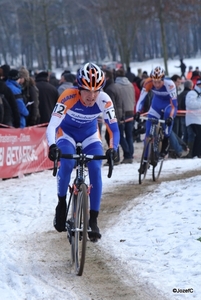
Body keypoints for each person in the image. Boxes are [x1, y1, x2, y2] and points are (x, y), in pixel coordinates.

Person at [46, 62, 120, 240]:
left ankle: (93, 219)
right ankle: (62, 204)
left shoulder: (104, 99)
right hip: (67, 135)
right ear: (79, 88)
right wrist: (52, 146)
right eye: (87, 90)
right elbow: (53, 125)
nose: (92, 95)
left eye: (96, 90)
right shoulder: (67, 96)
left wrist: (113, 148)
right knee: (68, 162)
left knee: (95, 168)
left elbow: (114, 129)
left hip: (90, 136)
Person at [135, 66, 177, 172]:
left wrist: (171, 117)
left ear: (163, 79)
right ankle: (144, 162)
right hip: (156, 105)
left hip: (168, 105)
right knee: (148, 134)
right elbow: (141, 99)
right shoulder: (148, 83)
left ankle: (165, 142)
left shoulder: (170, 84)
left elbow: (174, 105)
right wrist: (137, 112)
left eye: (159, 82)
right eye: (154, 82)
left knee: (167, 119)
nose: (157, 84)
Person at [115, 68, 135, 164]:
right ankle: (130, 154)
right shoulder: (130, 84)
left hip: (122, 113)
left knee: (120, 135)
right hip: (131, 111)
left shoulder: (116, 86)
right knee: (129, 136)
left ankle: (127, 153)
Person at [185, 78, 201, 158]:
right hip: (193, 119)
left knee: (199, 135)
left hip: (198, 119)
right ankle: (195, 153)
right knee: (199, 135)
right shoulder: (192, 93)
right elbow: (190, 104)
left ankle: (197, 153)